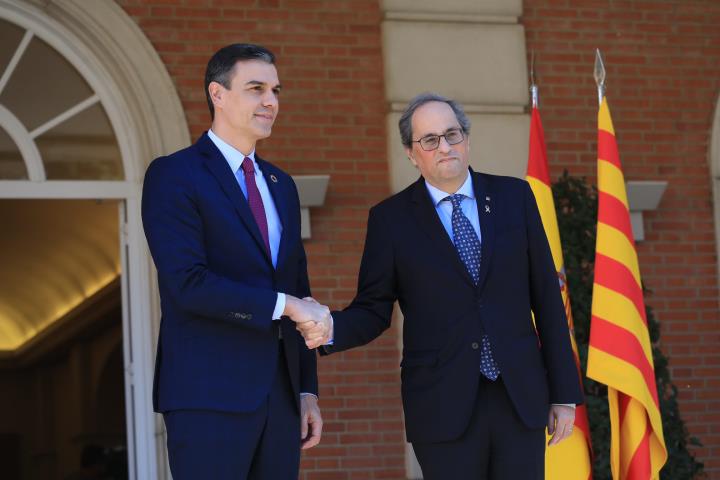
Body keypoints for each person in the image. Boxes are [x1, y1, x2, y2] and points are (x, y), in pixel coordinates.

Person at [305, 93, 583, 479]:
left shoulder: (514, 198)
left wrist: (564, 393)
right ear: (411, 152)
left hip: (519, 397)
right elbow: (373, 309)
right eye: (430, 139)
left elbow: (548, 299)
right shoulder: (391, 221)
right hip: (442, 404)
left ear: (467, 139)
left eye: (452, 134)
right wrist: (329, 328)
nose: (445, 147)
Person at [142, 43, 331, 480]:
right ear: (218, 94)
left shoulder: (281, 184)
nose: (271, 101)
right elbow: (187, 283)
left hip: (281, 401)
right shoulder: (174, 175)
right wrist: (286, 306)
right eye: (256, 88)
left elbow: (297, 285)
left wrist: (306, 390)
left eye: (276, 90)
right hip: (208, 397)